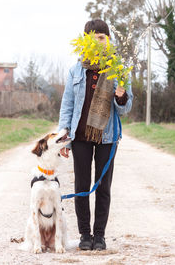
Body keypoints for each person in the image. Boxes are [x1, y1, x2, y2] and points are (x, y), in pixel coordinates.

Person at [58, 19, 133, 251]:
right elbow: (67, 105)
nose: (97, 41)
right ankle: (85, 235)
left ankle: (99, 236)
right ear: (85, 40)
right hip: (80, 136)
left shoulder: (117, 69)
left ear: (108, 40)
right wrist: (63, 137)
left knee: (103, 187)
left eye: (102, 37)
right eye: (92, 37)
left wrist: (121, 96)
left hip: (107, 138)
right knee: (82, 185)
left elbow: (125, 109)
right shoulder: (76, 69)